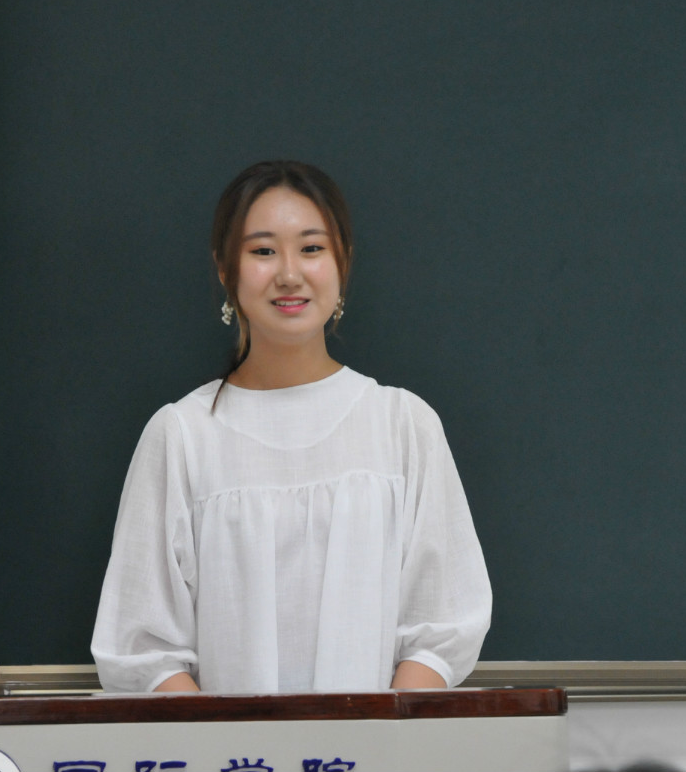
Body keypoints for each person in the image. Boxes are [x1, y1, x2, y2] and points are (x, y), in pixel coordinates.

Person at [91, 161, 491, 694]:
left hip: (377, 741)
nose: (288, 274)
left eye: (311, 248)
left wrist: (372, 735)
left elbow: (442, 623)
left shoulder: (402, 425)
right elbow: (143, 649)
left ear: (342, 261)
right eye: (262, 251)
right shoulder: (182, 436)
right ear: (224, 269)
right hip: (220, 743)